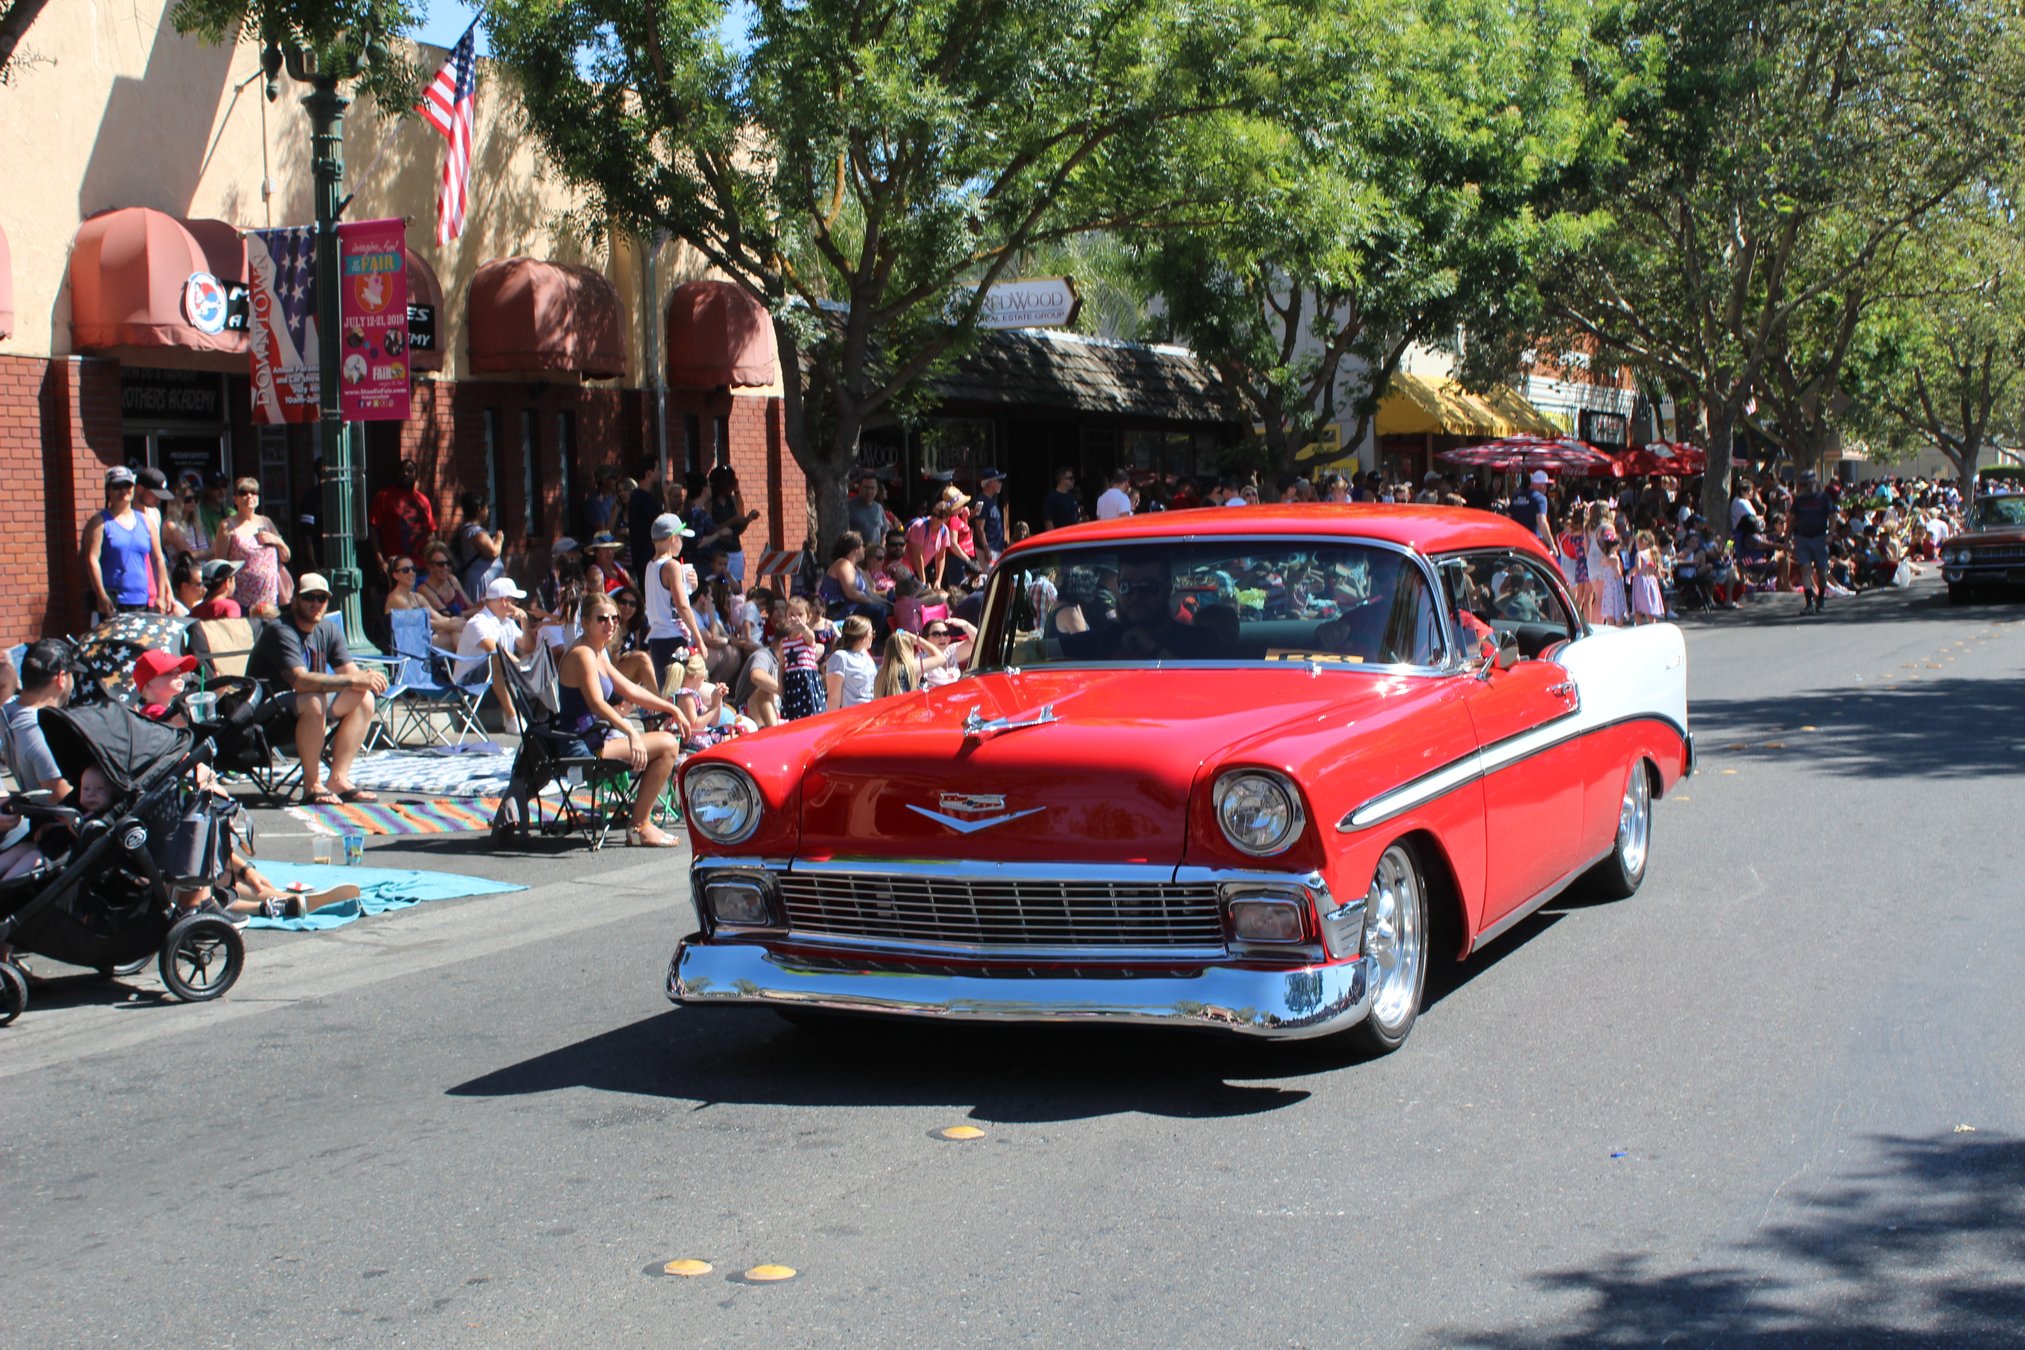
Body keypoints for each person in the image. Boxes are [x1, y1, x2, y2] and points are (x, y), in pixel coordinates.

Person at [246, 572, 389, 806]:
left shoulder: (328, 630)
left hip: (307, 708)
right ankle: (311, 785)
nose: (315, 603)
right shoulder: (280, 630)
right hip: (267, 714)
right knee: (314, 697)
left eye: (321, 598)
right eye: (308, 597)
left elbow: (349, 673)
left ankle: (338, 779)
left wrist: (367, 678)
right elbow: (300, 681)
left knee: (364, 698)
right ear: (294, 601)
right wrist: (355, 680)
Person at [557, 592, 686, 847]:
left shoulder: (599, 652)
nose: (611, 624)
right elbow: (596, 703)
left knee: (667, 741)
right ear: (585, 622)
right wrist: (631, 732)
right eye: (602, 619)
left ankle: (640, 823)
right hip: (583, 744)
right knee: (668, 744)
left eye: (614, 618)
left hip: (598, 736)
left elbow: (630, 689)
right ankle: (640, 825)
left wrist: (672, 709)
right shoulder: (582, 654)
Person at [1057, 555, 1224, 661]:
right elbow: (1040, 652)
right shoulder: (1099, 643)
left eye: (1148, 587)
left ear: (1167, 589)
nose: (1136, 596)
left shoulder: (1200, 642)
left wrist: (1154, 648)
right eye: (1126, 587)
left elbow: (1208, 688)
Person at [453, 577, 543, 731]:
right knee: (497, 658)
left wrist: (525, 621)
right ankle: (513, 718)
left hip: (492, 682)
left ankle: (538, 715)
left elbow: (528, 647)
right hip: (469, 684)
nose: (515, 605)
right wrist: (523, 668)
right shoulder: (478, 622)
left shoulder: (507, 622)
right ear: (504, 601)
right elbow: (496, 650)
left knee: (533, 658)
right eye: (514, 600)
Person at [84, 466, 171, 618]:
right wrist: (101, 595)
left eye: (127, 485)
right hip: (112, 602)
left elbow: (158, 560)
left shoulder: (147, 521)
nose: (123, 490)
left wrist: (161, 596)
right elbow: (92, 559)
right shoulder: (99, 522)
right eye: (117, 486)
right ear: (108, 490)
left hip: (142, 601)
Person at [2, 642, 77, 802]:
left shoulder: (8, 709)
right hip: (47, 820)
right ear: (60, 678)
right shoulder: (40, 729)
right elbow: (61, 796)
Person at [642, 512, 704, 687]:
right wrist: (699, 639)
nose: (682, 543)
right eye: (681, 538)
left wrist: (690, 587)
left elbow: (664, 600)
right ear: (673, 538)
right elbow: (682, 606)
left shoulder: (650, 566)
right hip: (673, 637)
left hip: (656, 638)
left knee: (668, 693)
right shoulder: (672, 566)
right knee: (682, 693)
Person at [215, 477, 292, 617]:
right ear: (235, 499)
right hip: (241, 601)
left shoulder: (266, 522)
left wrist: (277, 541)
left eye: (254, 492)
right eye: (243, 492)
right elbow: (220, 564)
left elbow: (286, 556)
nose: (249, 496)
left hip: (269, 601)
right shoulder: (227, 526)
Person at [368, 459, 437, 567]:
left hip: (423, 566)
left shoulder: (423, 500)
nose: (405, 474)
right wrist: (380, 561)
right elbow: (373, 528)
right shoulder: (384, 497)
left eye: (410, 470)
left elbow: (431, 532)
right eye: (402, 470)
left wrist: (434, 560)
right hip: (398, 566)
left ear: (416, 475)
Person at [821, 531, 892, 632]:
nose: (864, 549)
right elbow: (852, 594)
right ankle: (874, 644)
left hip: (854, 607)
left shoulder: (857, 569)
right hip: (839, 609)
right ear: (856, 549)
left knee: (889, 609)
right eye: (863, 546)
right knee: (880, 611)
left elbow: (869, 593)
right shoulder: (842, 564)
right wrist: (876, 603)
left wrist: (887, 603)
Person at [777, 595, 833, 720]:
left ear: (808, 617)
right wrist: (780, 685)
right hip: (791, 681)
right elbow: (781, 665)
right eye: (791, 614)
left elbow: (810, 637)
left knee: (811, 713)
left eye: (800, 614)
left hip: (807, 681)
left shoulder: (807, 636)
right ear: (786, 617)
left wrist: (804, 628)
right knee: (794, 715)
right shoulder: (784, 642)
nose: (795, 618)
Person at [1790, 468, 1835, 615]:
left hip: (1820, 538)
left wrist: (1831, 534)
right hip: (1802, 538)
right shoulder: (1799, 500)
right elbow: (1792, 520)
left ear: (1814, 482)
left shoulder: (1823, 498)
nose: (1804, 487)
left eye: (1807, 483)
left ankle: (1820, 600)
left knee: (1822, 572)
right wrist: (1787, 539)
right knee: (1805, 569)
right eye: (1802, 484)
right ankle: (1809, 603)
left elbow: (1832, 516)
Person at [384, 556, 461, 639]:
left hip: (420, 637)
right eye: (406, 570)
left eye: (413, 569)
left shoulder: (417, 597)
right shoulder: (396, 598)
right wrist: (449, 625)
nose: (411, 572)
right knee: (454, 633)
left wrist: (456, 622)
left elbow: (438, 617)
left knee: (456, 631)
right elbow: (419, 622)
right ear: (396, 576)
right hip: (407, 643)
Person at [453, 493, 505, 603]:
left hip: (484, 578)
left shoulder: (468, 530)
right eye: (486, 508)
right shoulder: (475, 532)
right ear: (479, 509)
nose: (487, 512)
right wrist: (499, 540)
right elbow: (493, 552)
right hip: (482, 581)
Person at [821, 615, 878, 709]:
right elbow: (833, 699)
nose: (873, 636)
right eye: (872, 633)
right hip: (852, 717)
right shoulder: (840, 658)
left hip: (871, 714)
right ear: (862, 636)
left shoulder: (865, 655)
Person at [417, 542, 474, 618]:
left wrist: (481, 604)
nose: (446, 567)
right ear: (430, 567)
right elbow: (448, 615)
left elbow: (470, 605)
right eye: (440, 564)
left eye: (448, 563)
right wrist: (475, 610)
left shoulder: (452, 579)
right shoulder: (424, 589)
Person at [973, 467, 1009, 566]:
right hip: (989, 551)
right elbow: (979, 528)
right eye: (998, 480)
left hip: (997, 549)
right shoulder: (981, 502)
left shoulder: (992, 500)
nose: (1000, 483)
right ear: (991, 483)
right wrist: (986, 549)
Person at [1508, 470, 1553, 548]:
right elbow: (1541, 522)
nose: (1547, 488)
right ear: (1543, 485)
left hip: (1515, 542)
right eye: (1547, 485)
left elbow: (1507, 518)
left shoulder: (1516, 496)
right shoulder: (1541, 498)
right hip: (1532, 543)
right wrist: (1552, 544)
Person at [847, 473, 891, 545]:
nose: (869, 491)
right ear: (859, 488)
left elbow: (884, 532)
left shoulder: (879, 508)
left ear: (877, 490)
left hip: (875, 554)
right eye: (866, 487)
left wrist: (882, 547)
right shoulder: (849, 507)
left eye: (872, 488)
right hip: (857, 553)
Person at [1042, 467, 1082, 532]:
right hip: (1061, 537)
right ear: (1061, 480)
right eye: (1071, 478)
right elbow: (1048, 521)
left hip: (1074, 536)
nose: (1073, 480)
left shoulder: (1071, 497)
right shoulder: (1051, 498)